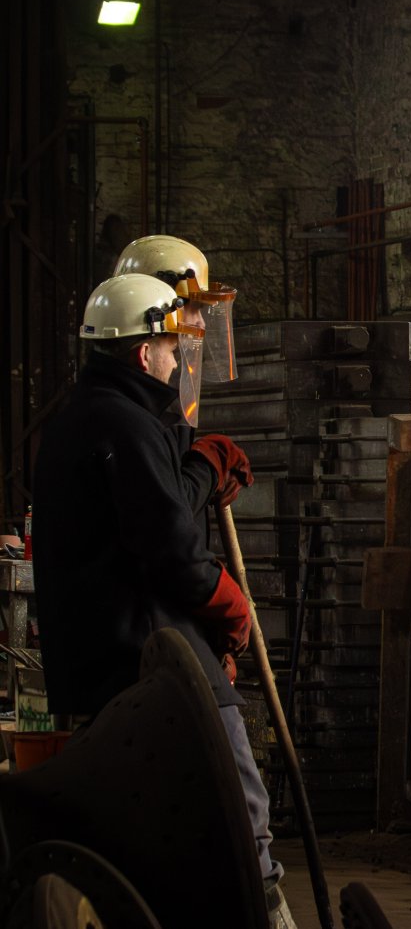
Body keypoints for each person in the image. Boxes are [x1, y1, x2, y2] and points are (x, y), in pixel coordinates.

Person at [31, 268, 297, 929]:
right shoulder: (126, 424)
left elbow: (154, 506)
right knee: (243, 816)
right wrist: (227, 609)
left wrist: (199, 468)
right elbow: (171, 545)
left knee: (141, 831)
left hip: (98, 669)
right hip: (151, 662)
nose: (180, 360)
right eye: (173, 349)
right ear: (143, 351)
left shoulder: (81, 420)